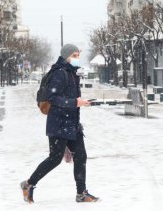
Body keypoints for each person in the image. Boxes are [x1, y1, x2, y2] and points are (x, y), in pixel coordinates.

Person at [20, 44, 99, 204]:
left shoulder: (71, 73)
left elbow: (70, 98)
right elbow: (52, 98)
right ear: (66, 56)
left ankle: (81, 193)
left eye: (78, 55)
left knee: (81, 156)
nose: (77, 58)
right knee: (55, 158)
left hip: (72, 122)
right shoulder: (60, 73)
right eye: (75, 55)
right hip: (59, 123)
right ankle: (28, 184)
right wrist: (75, 103)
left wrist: (81, 103)